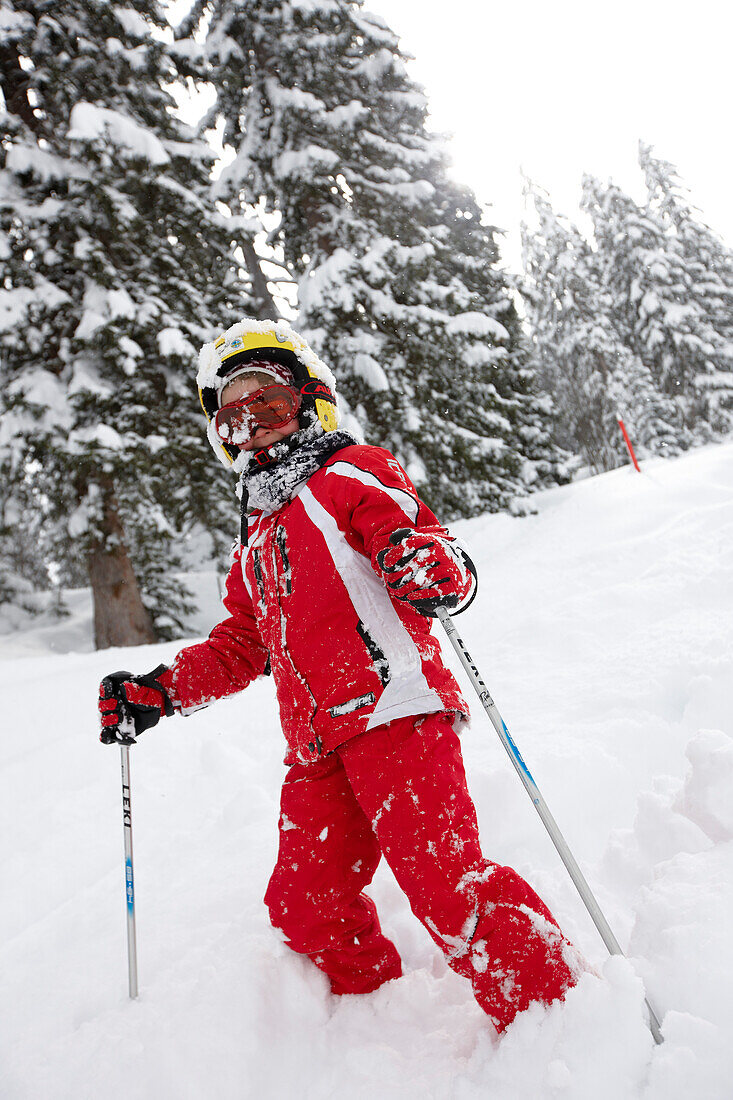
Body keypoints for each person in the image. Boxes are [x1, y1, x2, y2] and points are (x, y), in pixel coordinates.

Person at [98, 319, 582, 1033]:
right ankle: (374, 1016)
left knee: (448, 886)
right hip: (318, 747)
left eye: (268, 404)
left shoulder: (348, 470)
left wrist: (427, 567)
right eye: (234, 416)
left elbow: (415, 536)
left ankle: (560, 1017)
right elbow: (241, 645)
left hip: (395, 712)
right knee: (304, 903)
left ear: (309, 399)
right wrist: (159, 691)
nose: (252, 425)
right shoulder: (256, 537)